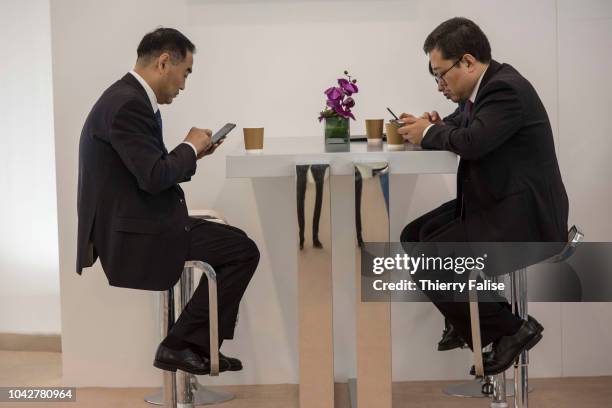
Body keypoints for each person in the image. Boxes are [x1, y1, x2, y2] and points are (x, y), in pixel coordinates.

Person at [76, 28, 260, 375]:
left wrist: (195, 154)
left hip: (138, 222)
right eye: (185, 72)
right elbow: (154, 176)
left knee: (234, 242)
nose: (184, 84)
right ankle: (182, 346)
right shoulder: (128, 104)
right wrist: (189, 145)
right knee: (241, 250)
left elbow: (148, 170)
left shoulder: (124, 97)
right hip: (133, 236)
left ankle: (197, 345)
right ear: (164, 62)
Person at [399, 17, 568, 375]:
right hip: (498, 201)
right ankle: (463, 316)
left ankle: (512, 329)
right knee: (414, 235)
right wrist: (433, 125)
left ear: (468, 61)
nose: (439, 84)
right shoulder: (484, 89)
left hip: (527, 216)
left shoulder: (506, 90)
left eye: (441, 74)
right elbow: (463, 126)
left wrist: (430, 131)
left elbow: (473, 143)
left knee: (430, 261)